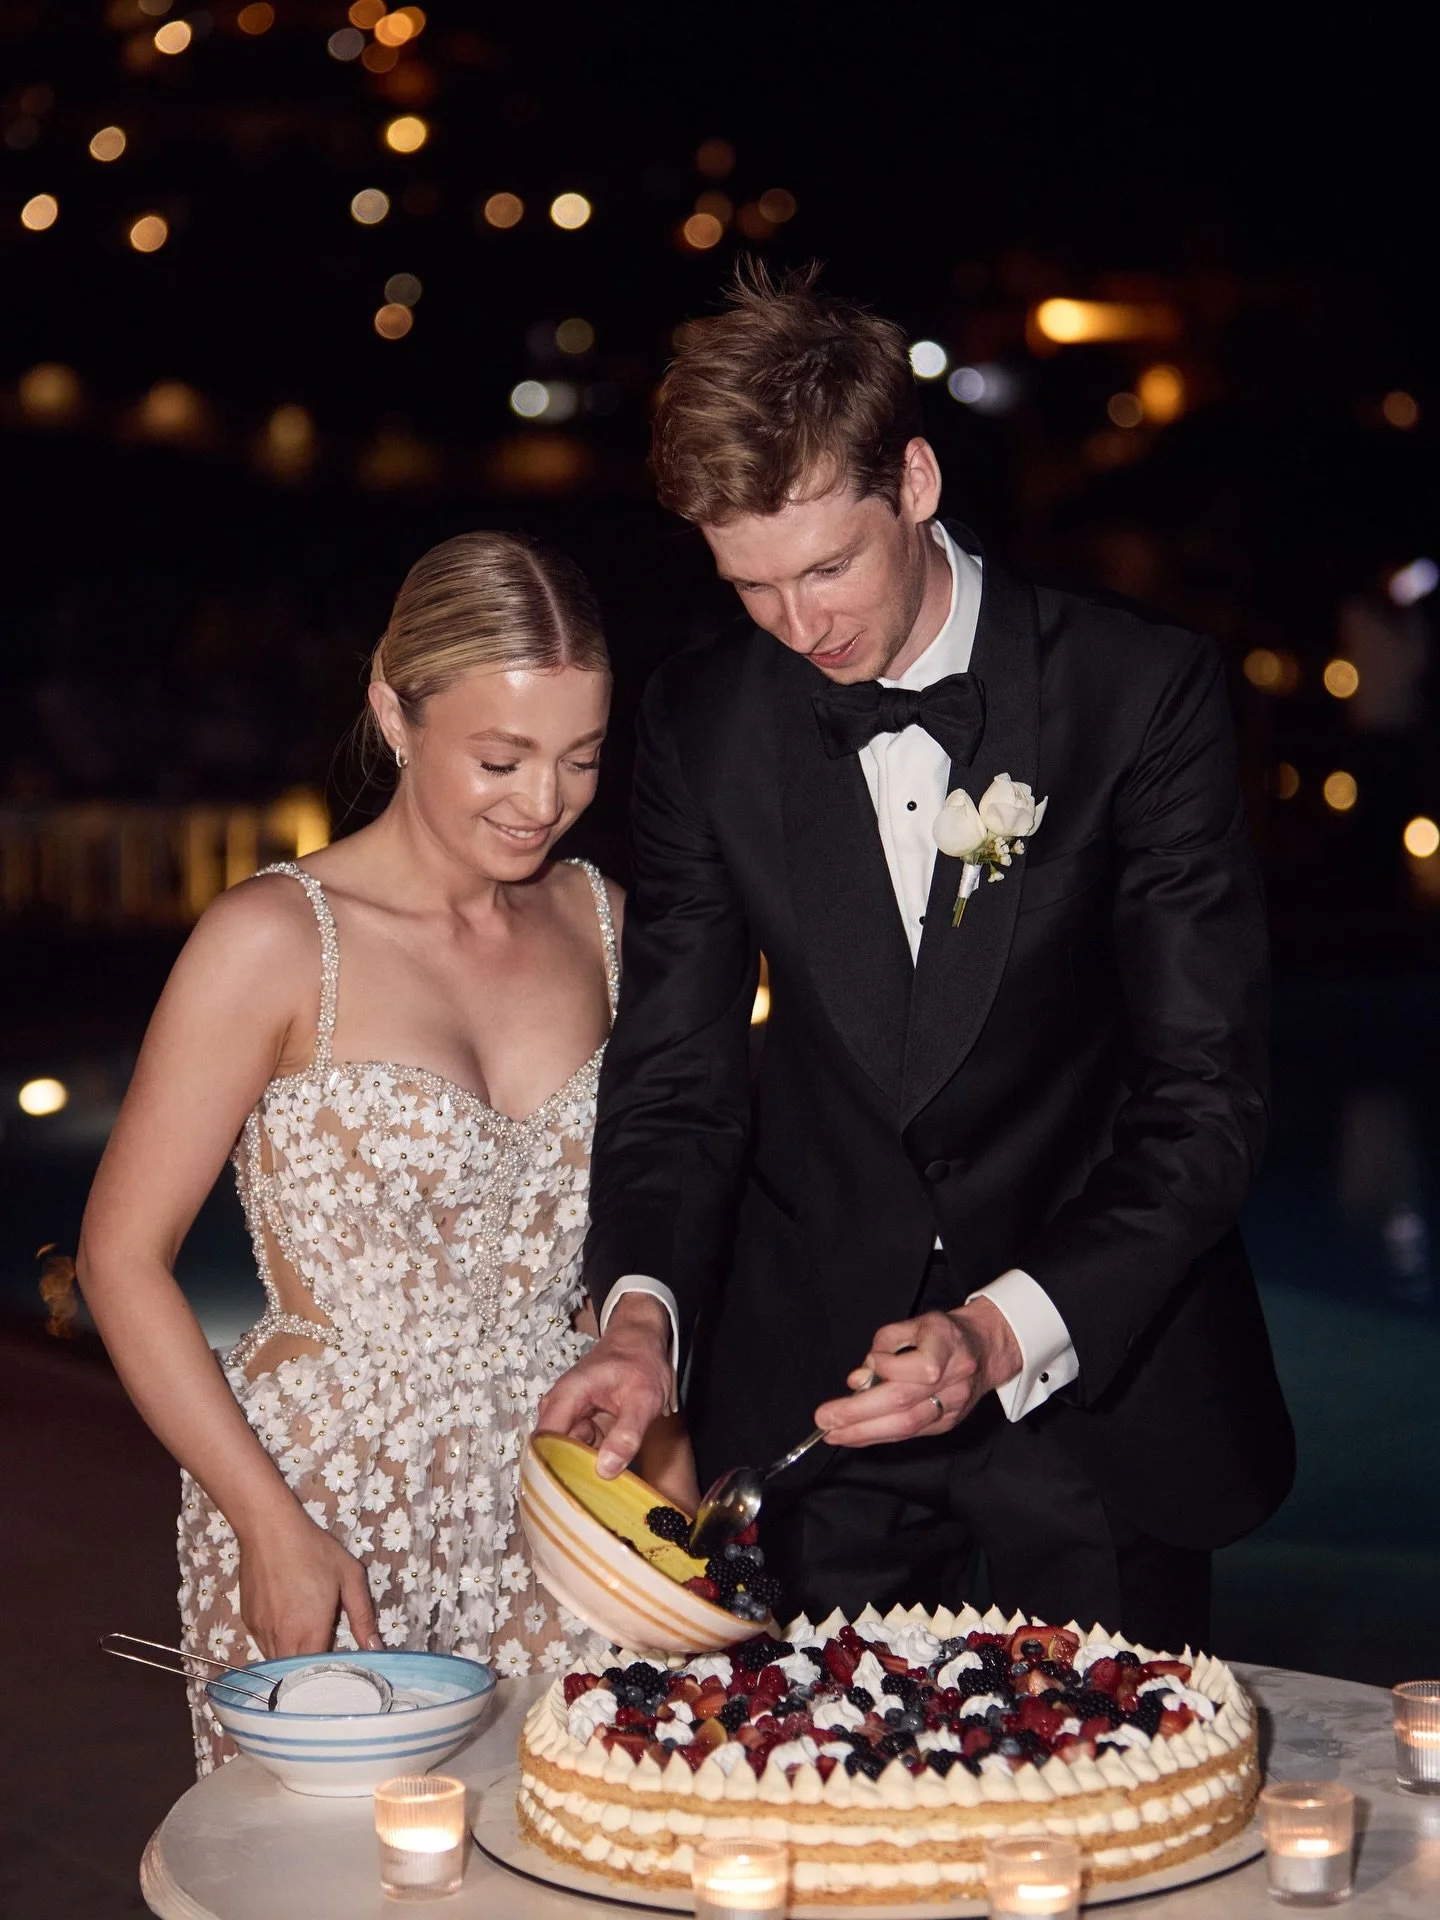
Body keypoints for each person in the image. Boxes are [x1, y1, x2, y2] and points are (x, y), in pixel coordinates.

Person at [539, 268, 1295, 1655]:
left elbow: (1207, 1098)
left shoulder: (1142, 691)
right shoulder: (706, 721)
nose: (802, 625)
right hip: (814, 1434)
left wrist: (1002, 1333)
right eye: (751, 584)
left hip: (1093, 1411)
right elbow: (678, 1084)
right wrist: (640, 1318)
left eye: (831, 565)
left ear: (918, 478)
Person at [78, 531, 682, 1773]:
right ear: (392, 712)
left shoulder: (606, 923)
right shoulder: (272, 938)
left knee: (580, 1864)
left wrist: (670, 1486)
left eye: (579, 759)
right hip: (328, 1495)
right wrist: (267, 1524)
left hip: (563, 1487)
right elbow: (120, 1260)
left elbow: (643, 1234)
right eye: (501, 758)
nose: (542, 802)